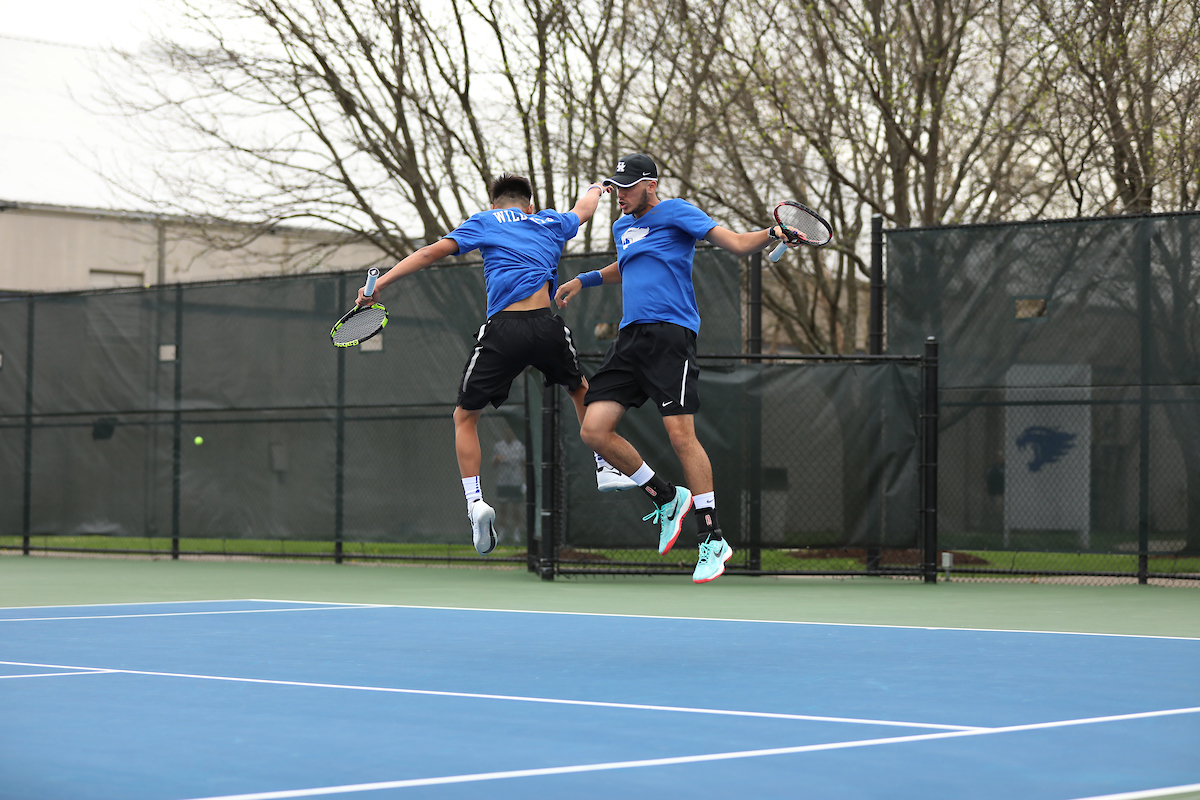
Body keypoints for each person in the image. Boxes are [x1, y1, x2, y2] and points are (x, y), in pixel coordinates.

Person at [554, 154, 803, 583]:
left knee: (680, 436)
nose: (620, 196)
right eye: (615, 188)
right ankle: (666, 497)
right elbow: (628, 265)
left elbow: (737, 243)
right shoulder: (620, 227)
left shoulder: (678, 212)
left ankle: (712, 537)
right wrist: (585, 279)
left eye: (628, 187)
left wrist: (771, 234)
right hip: (629, 339)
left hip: (671, 337)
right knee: (594, 431)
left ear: (651, 184)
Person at [359, 173, 636, 556]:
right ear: (530, 206)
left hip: (503, 329)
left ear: (494, 205)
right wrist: (597, 187)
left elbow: (428, 254)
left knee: (464, 417)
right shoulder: (549, 221)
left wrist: (381, 285)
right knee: (581, 389)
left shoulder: (485, 221)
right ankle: (603, 464)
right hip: (545, 324)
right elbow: (584, 210)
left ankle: (475, 503)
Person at [491, 424, 526, 543]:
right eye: (507, 431)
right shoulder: (498, 446)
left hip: (516, 481)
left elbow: (524, 464)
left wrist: (524, 482)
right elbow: (493, 464)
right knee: (502, 508)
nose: (508, 433)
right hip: (503, 482)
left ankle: (516, 533)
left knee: (516, 508)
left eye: (511, 431)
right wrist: (497, 459)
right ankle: (501, 532)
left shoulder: (520, 446)